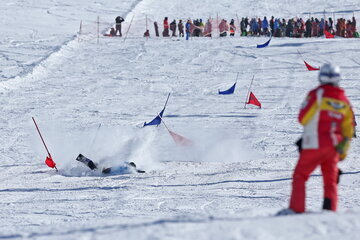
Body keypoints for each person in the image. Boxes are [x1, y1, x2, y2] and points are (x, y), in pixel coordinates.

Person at [288, 64, 355, 214]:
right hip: (334, 147)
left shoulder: (317, 94)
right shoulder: (344, 100)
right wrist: (342, 153)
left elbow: (303, 117)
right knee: (330, 180)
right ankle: (329, 211)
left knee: (300, 175)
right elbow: (348, 129)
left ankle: (296, 210)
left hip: (315, 142)